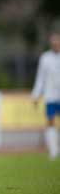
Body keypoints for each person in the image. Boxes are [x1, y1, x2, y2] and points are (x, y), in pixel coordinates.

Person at [32, 32, 60, 160]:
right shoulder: (45, 58)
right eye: (53, 41)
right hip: (51, 95)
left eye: (57, 41)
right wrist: (36, 94)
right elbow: (40, 77)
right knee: (50, 121)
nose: (55, 43)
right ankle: (53, 150)